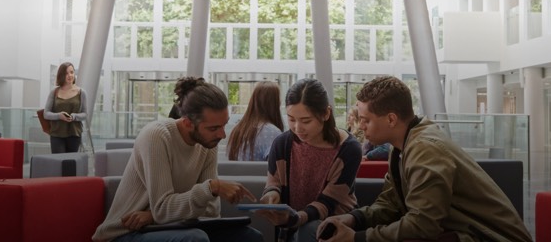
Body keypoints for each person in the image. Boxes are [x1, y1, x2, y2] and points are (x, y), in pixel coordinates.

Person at [317, 76, 532, 242]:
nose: (361, 126)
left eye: (365, 120)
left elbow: (422, 224)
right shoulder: (402, 146)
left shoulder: (424, 148)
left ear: (391, 119)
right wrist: (354, 219)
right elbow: (390, 204)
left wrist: (357, 237)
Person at [92, 77, 261, 242]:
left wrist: (153, 216)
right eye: (214, 128)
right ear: (187, 123)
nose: (222, 135)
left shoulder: (207, 143)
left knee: (250, 237)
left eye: (224, 125)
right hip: (127, 232)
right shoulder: (157, 136)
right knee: (195, 238)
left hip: (172, 226)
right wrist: (212, 187)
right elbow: (163, 209)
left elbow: (210, 211)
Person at [252, 79, 362, 242]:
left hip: (336, 226)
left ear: (326, 113)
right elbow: (273, 182)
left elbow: (327, 204)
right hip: (294, 225)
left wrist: (294, 219)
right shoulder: (282, 143)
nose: (297, 128)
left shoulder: (349, 149)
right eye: (291, 119)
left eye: (306, 121)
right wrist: (272, 195)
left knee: (308, 230)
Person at [228, 81, 284, 162]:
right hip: (261, 175)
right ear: (275, 103)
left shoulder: (238, 129)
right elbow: (277, 170)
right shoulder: (272, 133)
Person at [43, 62, 89, 154]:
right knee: (58, 163)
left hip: (74, 134)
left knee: (70, 164)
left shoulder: (81, 92)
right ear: (61, 75)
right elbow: (46, 114)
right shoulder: (54, 92)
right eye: (66, 73)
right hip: (57, 134)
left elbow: (85, 114)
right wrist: (59, 116)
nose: (69, 75)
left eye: (71, 72)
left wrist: (74, 117)